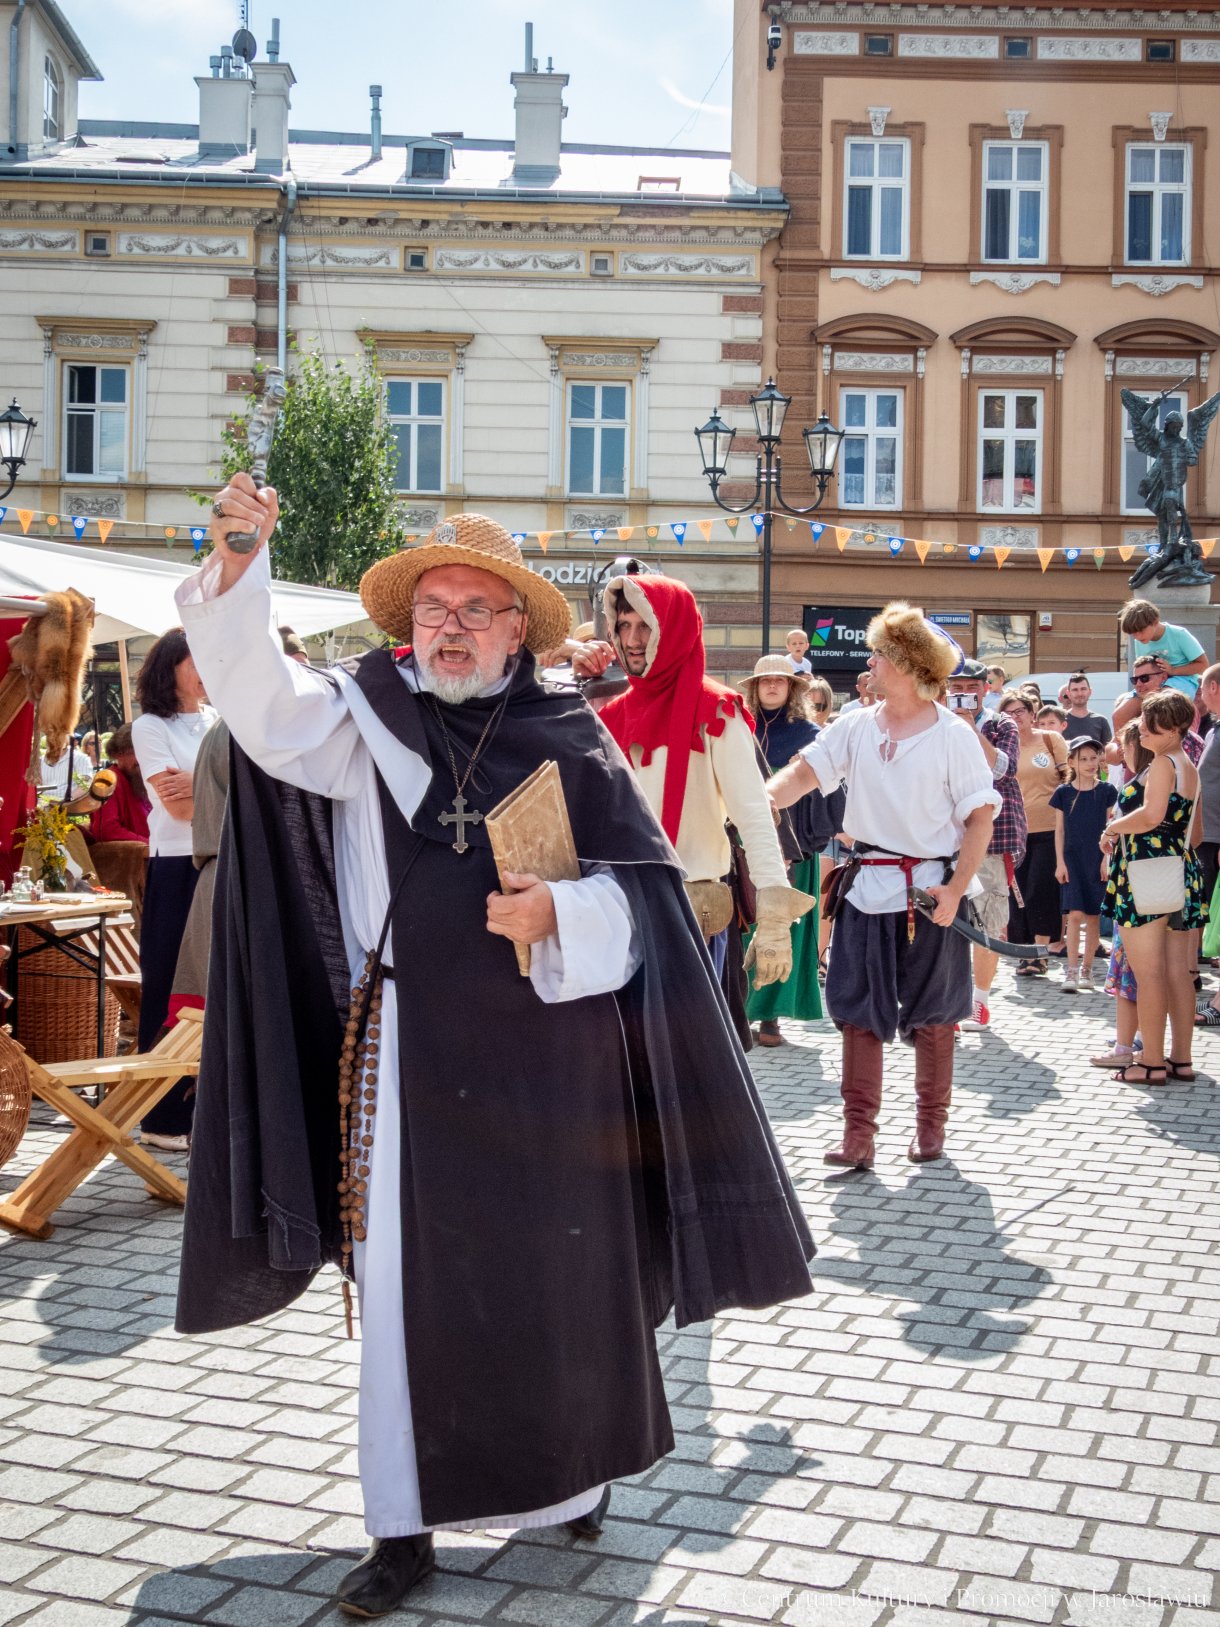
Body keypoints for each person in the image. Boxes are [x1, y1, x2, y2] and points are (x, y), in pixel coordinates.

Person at [174, 487, 815, 1619]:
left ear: (519, 625)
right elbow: (261, 709)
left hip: (549, 1063)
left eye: (478, 606)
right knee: (405, 1294)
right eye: (434, 605)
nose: (453, 625)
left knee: (556, 1278)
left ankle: (564, 1477)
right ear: (403, 621)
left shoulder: (566, 730)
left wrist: (559, 918)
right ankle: (401, 1524)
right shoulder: (357, 715)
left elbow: (648, 900)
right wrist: (239, 563)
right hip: (405, 1065)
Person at [767, 604, 999, 1168]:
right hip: (866, 886)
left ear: (906, 664)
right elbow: (803, 774)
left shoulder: (952, 735)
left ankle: (930, 1127)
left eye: (878, 653)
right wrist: (758, 802)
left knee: (936, 1012)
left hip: (930, 889)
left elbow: (980, 819)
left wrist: (956, 888)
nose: (868, 662)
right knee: (855, 1010)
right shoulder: (854, 725)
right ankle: (859, 1136)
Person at [572, 576, 812, 1004]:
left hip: (690, 911)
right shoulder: (611, 715)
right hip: (613, 906)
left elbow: (754, 816)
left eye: (645, 625)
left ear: (673, 629)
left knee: (685, 1059)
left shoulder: (716, 709)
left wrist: (774, 917)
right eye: (623, 625)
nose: (632, 639)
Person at [131, 628, 216, 1151]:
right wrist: (217, 788)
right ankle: (160, 1118)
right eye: (198, 658)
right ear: (172, 667)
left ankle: (202, 1109)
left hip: (216, 859)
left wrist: (199, 785)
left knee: (211, 990)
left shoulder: (219, 721)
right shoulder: (149, 726)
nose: (209, 666)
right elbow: (178, 810)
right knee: (166, 985)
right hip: (175, 867)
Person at [1101, 688, 1205, 1084]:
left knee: (1150, 975)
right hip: (1180, 870)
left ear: (1169, 727)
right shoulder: (1188, 766)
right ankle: (1181, 1059)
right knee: (1179, 972)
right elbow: (1195, 835)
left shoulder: (1163, 763)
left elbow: (1150, 815)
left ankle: (1151, 1063)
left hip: (1145, 871)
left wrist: (1113, 828)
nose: (1140, 727)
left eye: (1147, 720)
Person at [739, 655, 841, 1044]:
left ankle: (771, 1018)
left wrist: (801, 843)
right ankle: (742, 1010)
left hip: (794, 846)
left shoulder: (810, 736)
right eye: (764, 680)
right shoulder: (738, 730)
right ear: (753, 687)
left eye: (779, 681)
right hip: (744, 846)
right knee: (745, 926)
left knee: (787, 929)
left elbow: (829, 794)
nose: (771, 686)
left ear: (792, 688)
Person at [946, 660, 1025, 1031]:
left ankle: (980, 1003)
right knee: (947, 920)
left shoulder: (1000, 724)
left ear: (984, 688)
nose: (962, 692)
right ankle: (950, 1002)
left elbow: (1002, 770)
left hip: (992, 839)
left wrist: (967, 727)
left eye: (970, 685)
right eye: (955, 685)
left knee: (988, 920)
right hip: (945, 838)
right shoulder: (936, 722)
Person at [997, 690, 1068, 975]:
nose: (1015, 718)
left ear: (1031, 713)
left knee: (1041, 890)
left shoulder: (1050, 740)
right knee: (1018, 893)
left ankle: (1040, 954)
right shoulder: (1000, 745)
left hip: (1050, 828)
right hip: (1014, 831)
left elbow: (1068, 778)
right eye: (1009, 713)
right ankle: (1025, 954)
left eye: (1020, 712)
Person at [1093, 722, 1151, 1068]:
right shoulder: (1154, 774)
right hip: (1134, 875)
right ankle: (1134, 1038)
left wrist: (1112, 830)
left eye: (1124, 743)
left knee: (1130, 965)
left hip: (1136, 880)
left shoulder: (1148, 778)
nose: (1119, 749)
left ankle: (1126, 1046)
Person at [1051, 739, 1118, 993]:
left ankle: (1087, 969)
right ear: (1072, 762)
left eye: (1094, 757)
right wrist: (1060, 862)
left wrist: (1106, 859)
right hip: (1072, 859)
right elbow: (1059, 830)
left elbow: (1111, 828)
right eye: (1083, 759)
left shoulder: (1108, 791)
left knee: (1092, 916)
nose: (1090, 763)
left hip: (1097, 858)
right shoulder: (1063, 793)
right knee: (1074, 915)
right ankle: (1071, 969)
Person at [1118, 597, 1207, 700]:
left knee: (1163, 700)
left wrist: (1173, 670)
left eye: (1141, 631)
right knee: (1120, 714)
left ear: (1155, 622)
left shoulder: (1179, 634)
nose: (1137, 637)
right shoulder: (1140, 641)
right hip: (1152, 683)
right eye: (1133, 634)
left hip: (1182, 679)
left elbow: (1203, 665)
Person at [88, 723, 149, 846]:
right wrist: (151, 845)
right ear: (118, 754)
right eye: (134, 752)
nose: (141, 758)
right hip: (137, 858)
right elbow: (106, 831)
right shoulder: (106, 781)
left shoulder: (146, 778)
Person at [1063, 672, 1112, 748]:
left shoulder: (1101, 721)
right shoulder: (1060, 720)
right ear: (1068, 694)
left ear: (1090, 692)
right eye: (1075, 690)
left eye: (1083, 689)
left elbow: (1107, 752)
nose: (1079, 693)